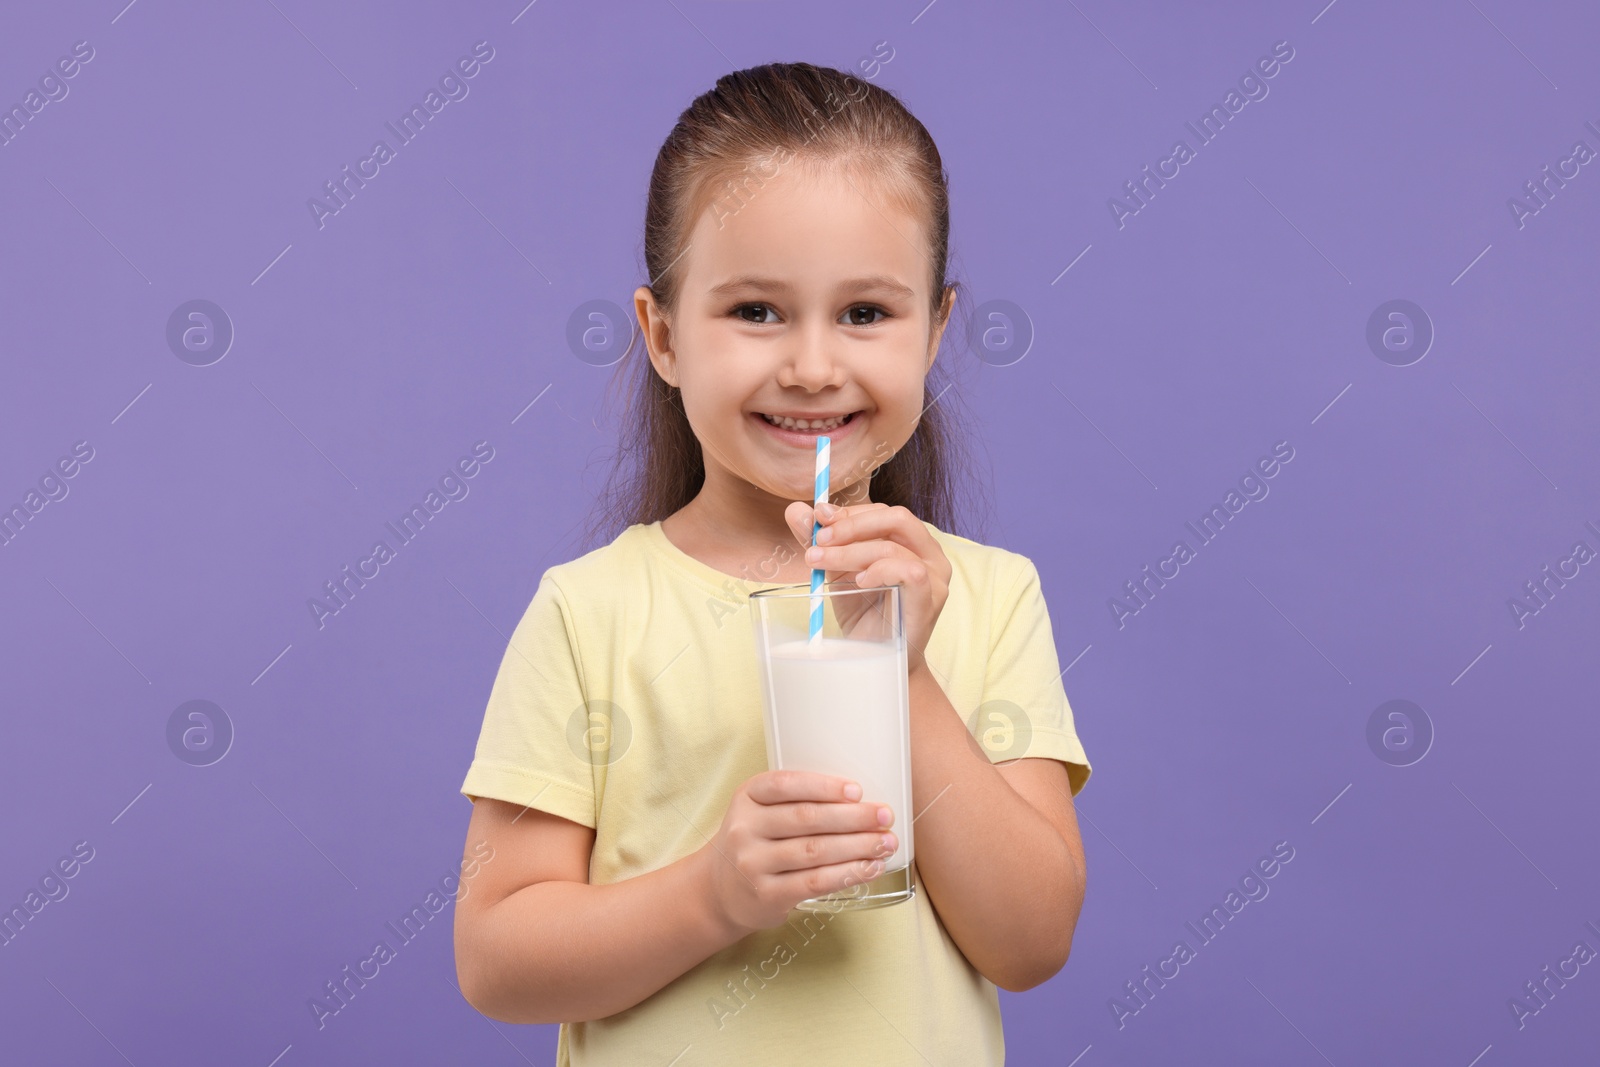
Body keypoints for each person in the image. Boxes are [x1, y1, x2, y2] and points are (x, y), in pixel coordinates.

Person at [453, 60, 1092, 1065]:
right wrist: (713, 893)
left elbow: (1031, 939)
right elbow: (497, 957)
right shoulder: (591, 612)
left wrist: (904, 668)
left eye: (866, 313)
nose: (810, 364)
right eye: (755, 310)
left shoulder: (987, 597)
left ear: (934, 333)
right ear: (663, 336)